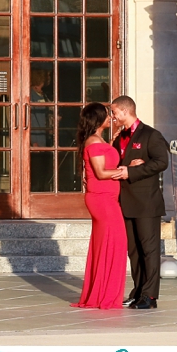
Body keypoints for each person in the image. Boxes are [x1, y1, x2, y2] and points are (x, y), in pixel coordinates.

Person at [109, 95, 169, 310]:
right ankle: (138, 291)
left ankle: (150, 296)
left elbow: (162, 162)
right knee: (133, 251)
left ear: (125, 111)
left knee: (149, 250)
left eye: (114, 112)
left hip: (146, 203)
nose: (113, 117)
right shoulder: (119, 137)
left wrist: (133, 170)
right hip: (126, 202)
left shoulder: (151, 134)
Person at [71, 103, 127, 310]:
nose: (110, 117)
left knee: (106, 244)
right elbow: (101, 173)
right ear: (98, 119)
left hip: (107, 198)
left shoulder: (99, 140)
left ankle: (103, 292)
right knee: (115, 244)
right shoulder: (93, 142)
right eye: (107, 115)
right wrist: (125, 171)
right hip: (102, 199)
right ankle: (105, 295)